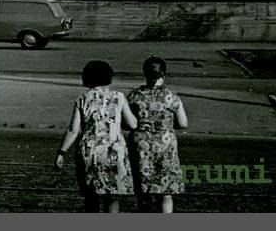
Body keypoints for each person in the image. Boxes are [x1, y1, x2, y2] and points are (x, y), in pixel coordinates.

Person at [55, 60, 137, 212]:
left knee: (91, 197)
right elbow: (132, 124)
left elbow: (73, 130)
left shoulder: (82, 99)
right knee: (112, 197)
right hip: (114, 150)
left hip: (89, 151)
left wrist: (62, 152)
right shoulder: (119, 97)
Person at [128, 56, 188, 213]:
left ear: (145, 73)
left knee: (143, 192)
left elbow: (127, 123)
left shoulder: (135, 96)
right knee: (166, 192)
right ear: (164, 73)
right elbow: (183, 123)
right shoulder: (172, 97)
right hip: (165, 146)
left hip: (141, 146)